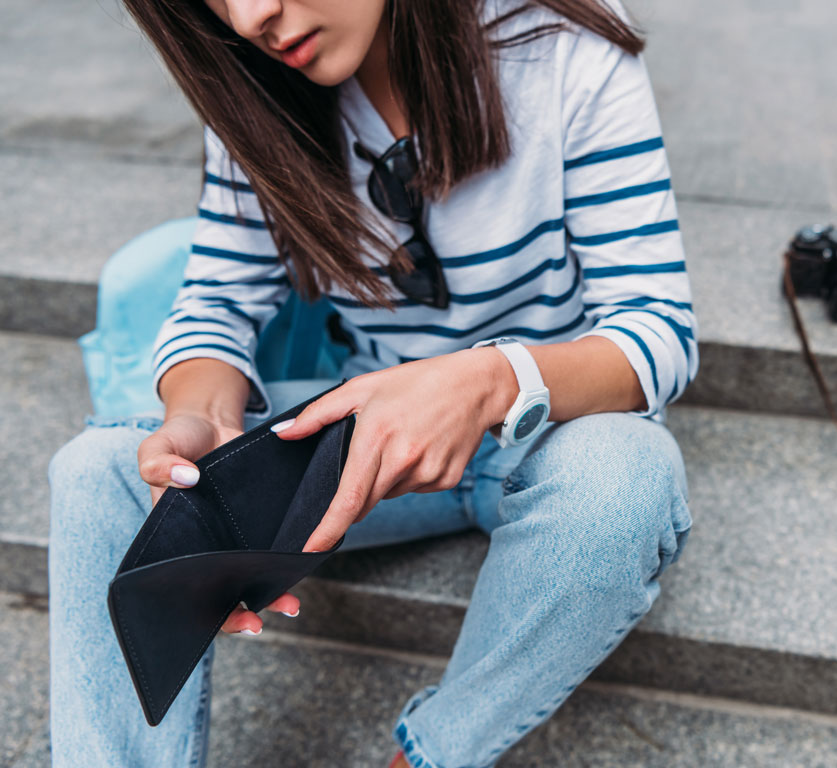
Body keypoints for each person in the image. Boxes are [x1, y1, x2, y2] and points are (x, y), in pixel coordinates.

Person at [46, 0, 698, 764]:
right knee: (96, 474)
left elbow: (657, 328)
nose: (252, 15)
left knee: (622, 484)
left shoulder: (560, 43)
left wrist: (486, 383)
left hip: (549, 429)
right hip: (355, 449)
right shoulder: (257, 84)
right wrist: (202, 416)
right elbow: (218, 301)